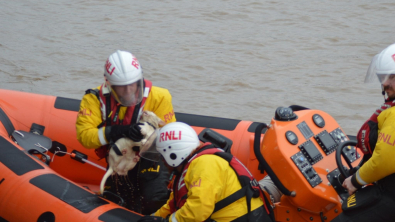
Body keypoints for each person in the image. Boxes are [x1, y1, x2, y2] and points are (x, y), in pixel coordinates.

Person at [76, 50, 176, 214]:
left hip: (152, 158)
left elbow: (170, 135)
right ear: (108, 83)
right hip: (120, 159)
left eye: (133, 84)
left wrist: (148, 136)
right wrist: (117, 131)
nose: (128, 91)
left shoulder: (160, 97)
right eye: (122, 87)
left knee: (154, 199)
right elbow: (85, 137)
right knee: (117, 204)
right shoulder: (93, 99)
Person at [138, 122, 273, 222]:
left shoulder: (204, 165)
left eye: (162, 156)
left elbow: (198, 210)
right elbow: (174, 203)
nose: (162, 162)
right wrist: (153, 217)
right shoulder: (194, 164)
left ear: (173, 154)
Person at [331, 43, 395, 222]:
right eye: (384, 76)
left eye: (393, 77)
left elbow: (384, 160)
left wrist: (355, 180)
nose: (386, 83)